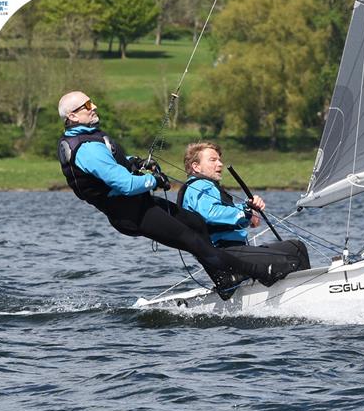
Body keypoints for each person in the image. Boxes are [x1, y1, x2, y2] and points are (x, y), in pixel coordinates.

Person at [56, 91, 277, 293]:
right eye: (86, 105)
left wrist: (135, 161)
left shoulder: (91, 138)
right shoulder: (86, 149)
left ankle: (226, 281)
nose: (93, 107)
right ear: (73, 116)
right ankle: (261, 273)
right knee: (192, 240)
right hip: (131, 215)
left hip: (139, 206)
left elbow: (115, 162)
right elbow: (125, 185)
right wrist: (154, 180)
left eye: (91, 102)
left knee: (196, 224)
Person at [178, 142, 310, 296]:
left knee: (294, 248)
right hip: (224, 254)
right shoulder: (200, 185)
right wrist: (246, 210)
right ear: (196, 167)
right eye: (212, 160)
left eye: (219, 159)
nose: (219, 163)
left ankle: (268, 285)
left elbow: (224, 216)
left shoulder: (205, 186)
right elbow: (211, 213)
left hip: (227, 255)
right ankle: (302, 294)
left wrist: (250, 215)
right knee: (294, 253)